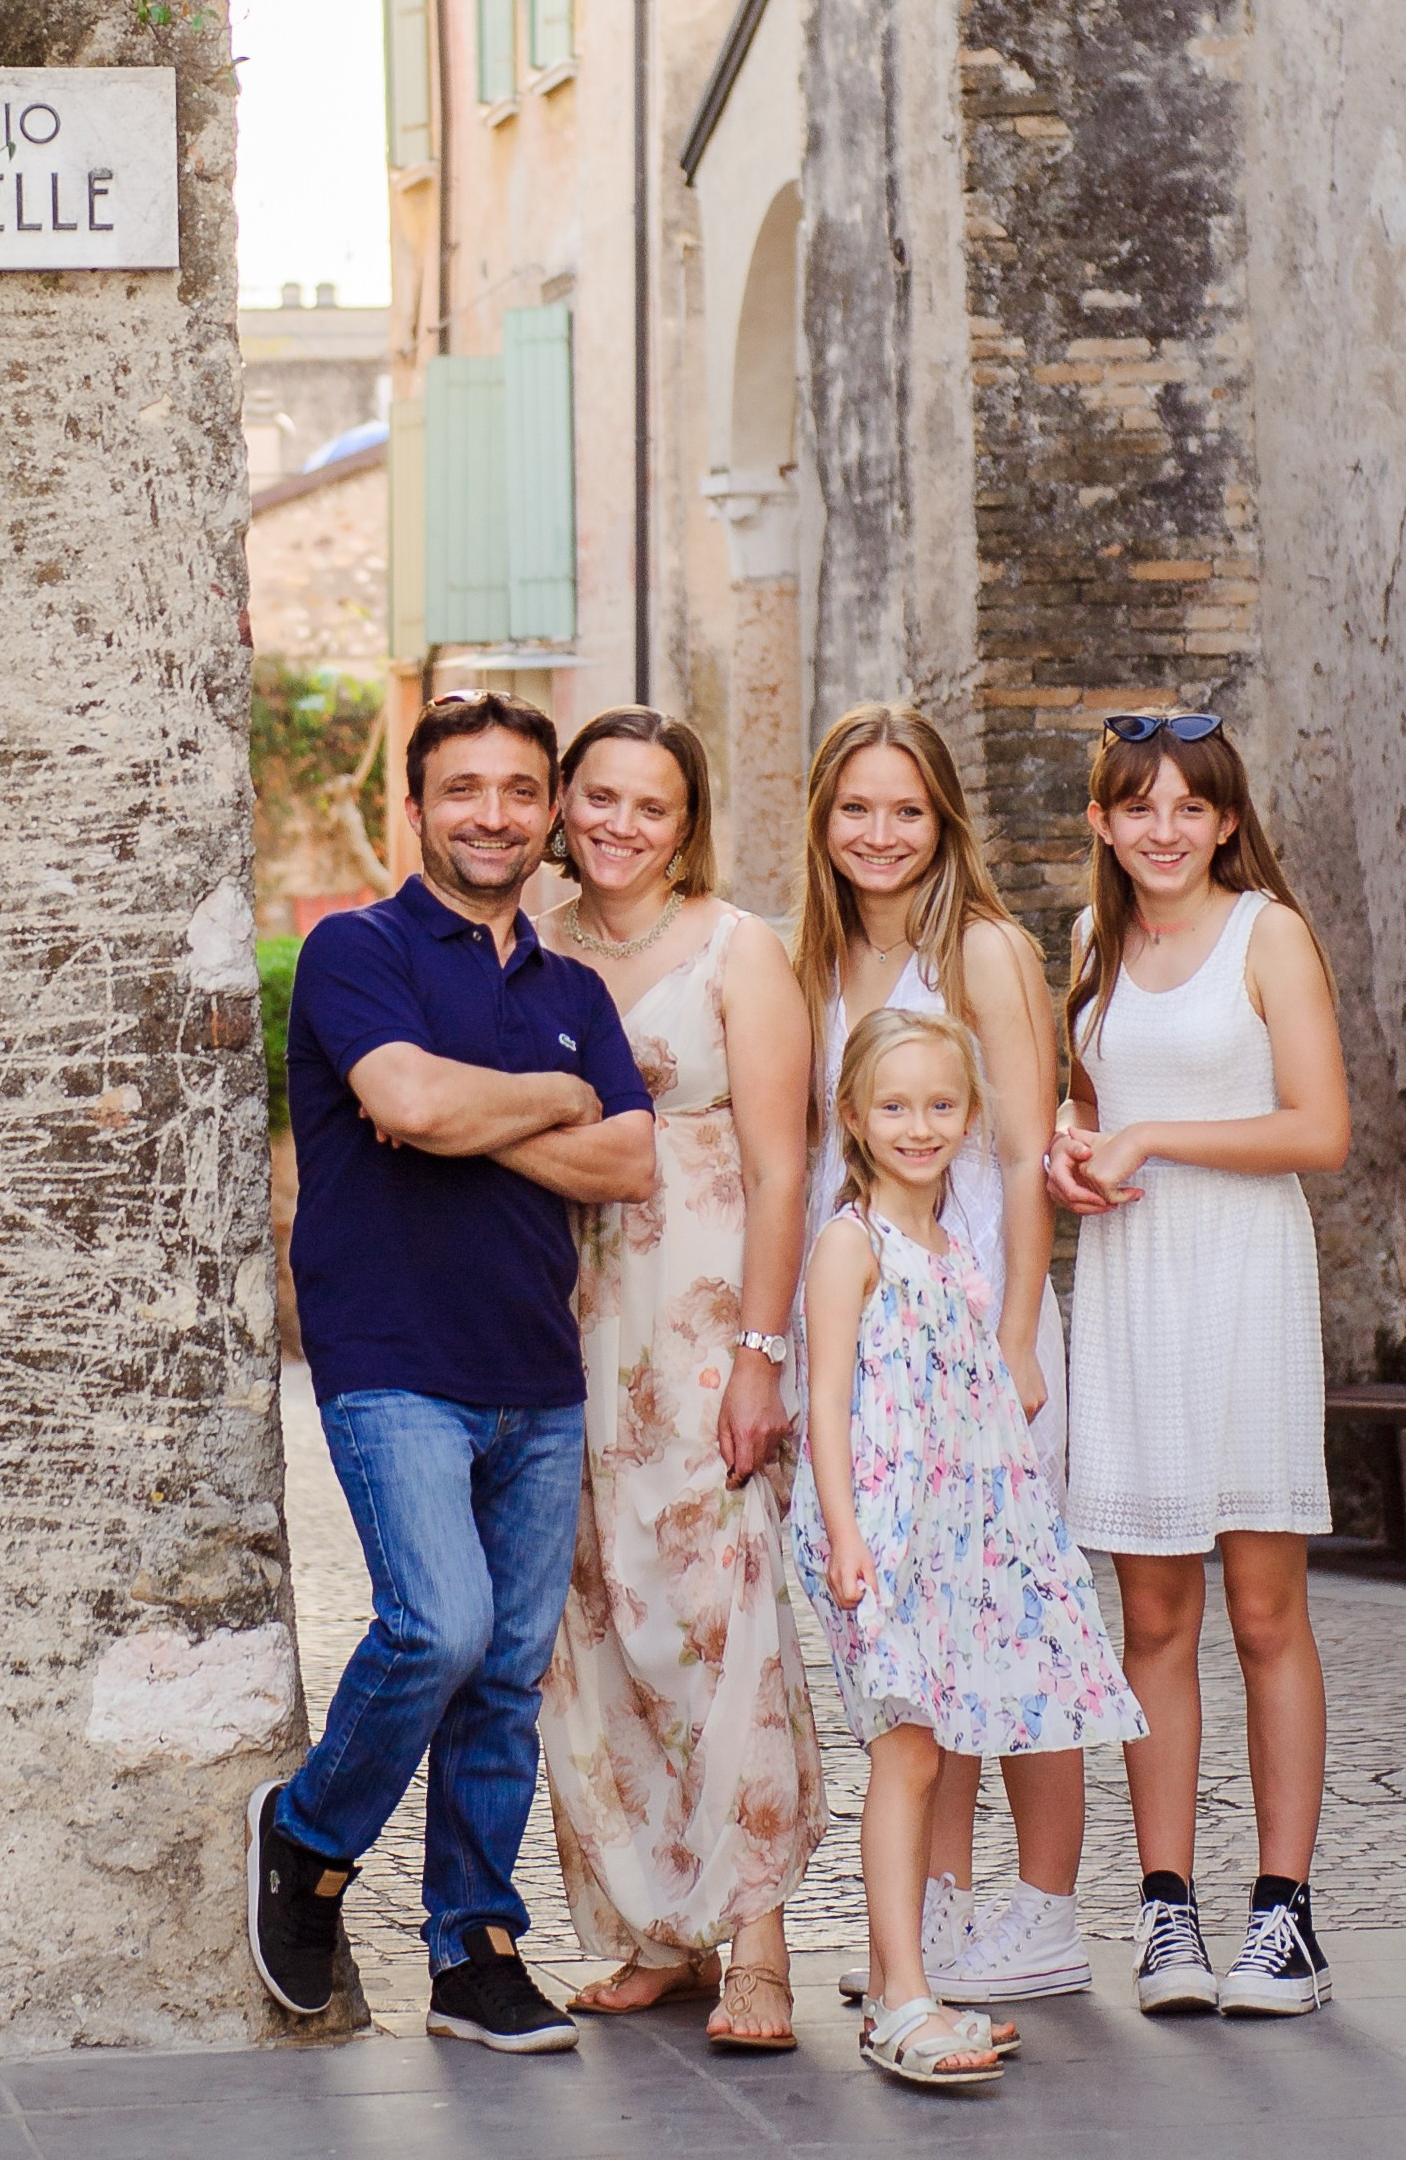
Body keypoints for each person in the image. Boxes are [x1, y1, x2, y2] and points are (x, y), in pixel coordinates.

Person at [248, 694, 659, 2054]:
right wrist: (548, 1097)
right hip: (392, 1354)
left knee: (504, 1675)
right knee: (439, 1624)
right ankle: (308, 1838)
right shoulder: (351, 945)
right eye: (462, 786)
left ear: (546, 814)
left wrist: (464, 1106)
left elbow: (629, 1159)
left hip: (534, 1365)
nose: (493, 810)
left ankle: (474, 1951)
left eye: (518, 788)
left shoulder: (571, 989)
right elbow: (407, 1104)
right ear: (411, 809)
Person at [1047, 707, 1351, 2021]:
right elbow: (1083, 1101)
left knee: (1264, 1610)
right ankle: (1163, 1907)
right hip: (1129, 1284)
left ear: (1225, 820)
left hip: (1243, 1279)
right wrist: (1071, 1140)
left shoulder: (1265, 932)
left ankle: (1282, 1912)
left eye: (1188, 805)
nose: (1161, 828)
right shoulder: (1090, 943)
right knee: (1151, 1619)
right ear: (1104, 822)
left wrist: (1153, 1132)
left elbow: (1318, 1127)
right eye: (1136, 805)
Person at [534, 708, 824, 2054]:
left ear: (685, 821)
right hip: (569, 1314)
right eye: (598, 796)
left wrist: (762, 1352)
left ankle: (757, 1942)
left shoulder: (736, 947)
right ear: (564, 802)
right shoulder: (528, 948)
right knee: (597, 1620)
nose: (618, 824)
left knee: (721, 1613)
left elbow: (779, 1164)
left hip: (703, 1312)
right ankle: (656, 1926)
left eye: (648, 805)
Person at [794, 705, 1087, 2009]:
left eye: (903, 808)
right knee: (915, 1638)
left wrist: (1019, 1332)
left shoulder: (977, 946)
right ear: (822, 817)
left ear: (942, 817)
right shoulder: (813, 956)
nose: (878, 831)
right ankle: (938, 1918)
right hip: (871, 1330)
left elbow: (1023, 1151)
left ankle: (1042, 1908)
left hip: (978, 1329)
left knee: (1011, 1620)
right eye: (855, 806)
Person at [794, 1006, 1145, 2091]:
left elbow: (971, 1405)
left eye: (941, 1105)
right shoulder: (851, 1244)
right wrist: (849, 1538)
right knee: (905, 1752)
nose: (919, 1125)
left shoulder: (954, 1249)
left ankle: (910, 1975)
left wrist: (1017, 1541)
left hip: (957, 1538)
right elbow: (827, 1403)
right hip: (882, 1540)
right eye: (895, 1106)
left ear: (970, 1116)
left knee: (934, 1748)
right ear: (853, 1116)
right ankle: (897, 1990)